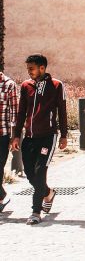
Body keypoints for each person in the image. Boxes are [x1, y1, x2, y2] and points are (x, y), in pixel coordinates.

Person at [10, 55, 67, 225]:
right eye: (28, 68)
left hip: (48, 137)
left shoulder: (56, 85)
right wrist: (16, 135)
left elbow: (62, 112)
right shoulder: (26, 86)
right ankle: (48, 193)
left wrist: (64, 135)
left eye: (31, 68)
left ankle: (36, 212)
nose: (29, 71)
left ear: (42, 68)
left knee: (40, 171)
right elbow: (21, 112)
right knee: (29, 172)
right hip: (29, 137)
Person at [0, 70, 17, 212]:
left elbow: (14, 113)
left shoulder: (9, 84)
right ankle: (1, 194)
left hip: (2, 134)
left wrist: (14, 136)